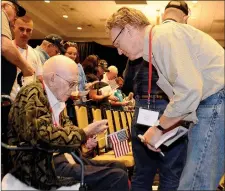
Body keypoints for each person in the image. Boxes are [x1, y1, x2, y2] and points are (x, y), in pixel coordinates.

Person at [106, 5, 224, 191]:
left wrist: (160, 128)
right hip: (212, 102)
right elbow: (189, 96)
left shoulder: (163, 36)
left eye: (117, 44)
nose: (119, 52)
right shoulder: (159, 42)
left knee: (194, 183)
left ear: (128, 29)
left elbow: (189, 92)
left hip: (215, 101)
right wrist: (163, 130)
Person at [7, 55, 129, 191]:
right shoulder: (31, 93)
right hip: (40, 166)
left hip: (61, 158)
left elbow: (68, 129)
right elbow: (40, 136)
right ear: (53, 78)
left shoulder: (57, 99)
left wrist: (84, 139)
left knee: (119, 167)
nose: (73, 90)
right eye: (71, 84)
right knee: (117, 176)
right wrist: (84, 133)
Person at [1, 0, 34, 95]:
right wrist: (25, 67)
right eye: (15, 10)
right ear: (5, 5)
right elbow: (5, 47)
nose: (16, 16)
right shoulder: (1, 13)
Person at [10, 15, 43, 101]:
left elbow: (39, 79)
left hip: (28, 103)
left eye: (28, 30)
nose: (25, 33)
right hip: (8, 102)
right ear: (14, 28)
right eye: (21, 29)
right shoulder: (5, 49)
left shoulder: (35, 54)